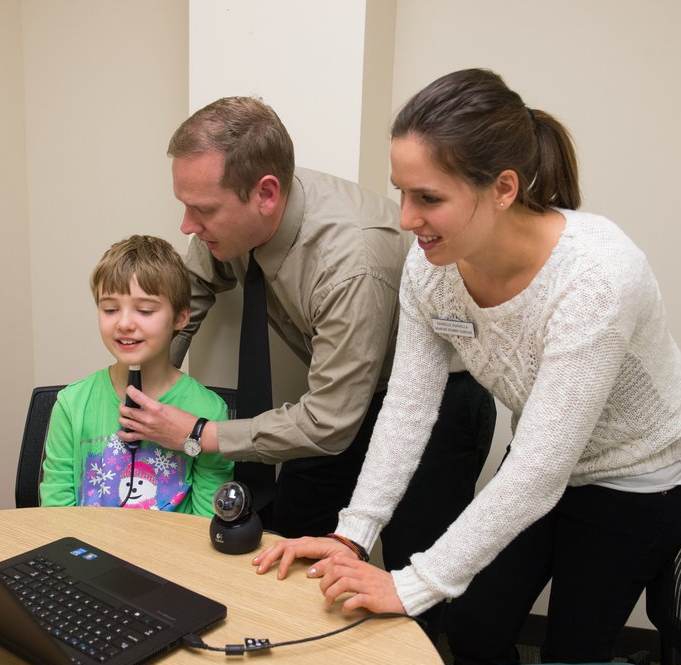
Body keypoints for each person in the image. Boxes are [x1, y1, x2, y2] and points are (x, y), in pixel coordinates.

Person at [253, 68, 681, 665]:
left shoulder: (597, 278)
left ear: (504, 188)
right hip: (547, 454)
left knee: (574, 656)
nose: (406, 218)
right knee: (473, 624)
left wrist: (409, 585)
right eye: (402, 193)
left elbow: (540, 473)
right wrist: (352, 534)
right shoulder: (432, 265)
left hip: (635, 470)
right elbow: (409, 407)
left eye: (429, 198)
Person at [118, 96, 496, 584]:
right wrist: (147, 383)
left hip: (437, 406)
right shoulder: (233, 222)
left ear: (266, 194)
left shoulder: (351, 264)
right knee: (287, 542)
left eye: (202, 210)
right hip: (336, 403)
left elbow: (328, 424)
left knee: (410, 574)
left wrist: (197, 435)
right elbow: (185, 294)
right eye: (186, 206)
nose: (187, 226)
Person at [39, 235, 233, 516]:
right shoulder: (71, 405)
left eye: (144, 310)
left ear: (180, 317)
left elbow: (208, 524)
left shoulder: (209, 411)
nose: (125, 323)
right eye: (110, 309)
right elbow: (56, 517)